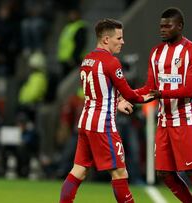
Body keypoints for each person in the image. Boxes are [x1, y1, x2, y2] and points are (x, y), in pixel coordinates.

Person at [59, 18, 152, 203]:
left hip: (86, 121)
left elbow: (97, 92)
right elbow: (130, 95)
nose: (123, 42)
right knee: (120, 173)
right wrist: (149, 95)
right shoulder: (111, 62)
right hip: (103, 125)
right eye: (119, 38)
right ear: (106, 40)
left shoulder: (87, 59)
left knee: (78, 170)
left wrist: (115, 102)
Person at [135, 7, 192, 203]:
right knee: (164, 173)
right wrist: (127, 96)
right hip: (164, 121)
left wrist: (161, 93)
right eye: (161, 26)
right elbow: (149, 87)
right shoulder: (156, 53)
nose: (162, 30)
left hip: (186, 119)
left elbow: (190, 90)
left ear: (180, 26)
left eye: (167, 26)